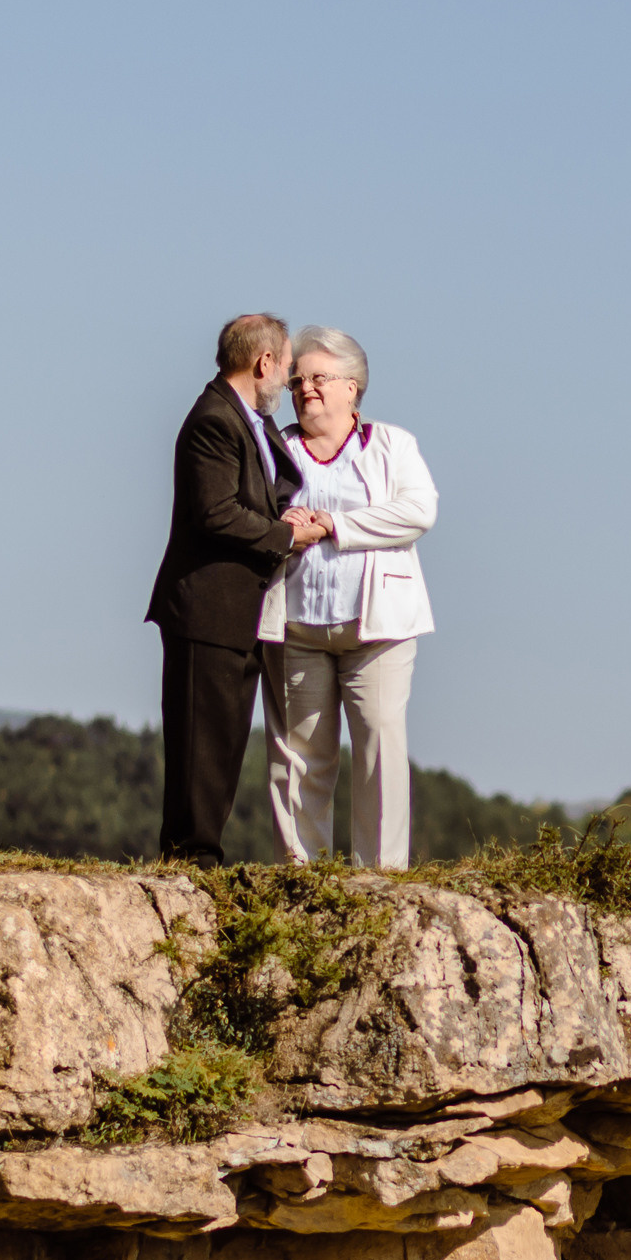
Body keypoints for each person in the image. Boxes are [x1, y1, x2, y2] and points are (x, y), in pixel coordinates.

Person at [146, 313, 330, 865]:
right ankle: (191, 860)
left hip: (239, 613)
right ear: (263, 362)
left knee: (223, 745)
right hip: (207, 609)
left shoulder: (250, 420)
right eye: (289, 368)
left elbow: (260, 490)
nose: (290, 381)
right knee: (201, 744)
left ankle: (200, 856)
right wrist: (287, 536)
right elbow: (216, 513)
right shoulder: (213, 420)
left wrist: (287, 511)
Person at [258, 324, 438, 869]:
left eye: (318, 378)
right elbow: (255, 515)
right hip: (298, 626)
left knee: (379, 750)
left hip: (376, 629)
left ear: (352, 386)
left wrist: (333, 523)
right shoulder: (276, 447)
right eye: (297, 381)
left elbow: (417, 512)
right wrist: (284, 522)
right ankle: (300, 878)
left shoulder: (393, 444)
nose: (304, 389)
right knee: (298, 758)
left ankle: (379, 880)